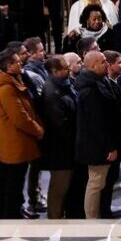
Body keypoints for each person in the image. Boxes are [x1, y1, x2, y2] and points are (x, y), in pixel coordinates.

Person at [0, 48, 44, 219]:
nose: (21, 63)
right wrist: (38, 130)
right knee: (12, 182)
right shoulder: (6, 88)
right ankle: (10, 215)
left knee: (11, 180)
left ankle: (13, 211)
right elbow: (20, 117)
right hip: (14, 143)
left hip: (15, 142)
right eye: (16, 61)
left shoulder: (12, 81)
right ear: (8, 66)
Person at [74, 51, 121, 219]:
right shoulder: (90, 89)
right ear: (92, 66)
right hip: (96, 146)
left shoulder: (98, 82)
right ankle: (92, 219)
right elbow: (97, 123)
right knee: (96, 183)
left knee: (99, 182)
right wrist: (110, 147)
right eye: (102, 62)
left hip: (99, 144)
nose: (106, 64)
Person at [41, 55, 82, 219]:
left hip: (67, 149)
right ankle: (54, 220)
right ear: (54, 71)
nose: (69, 70)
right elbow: (60, 125)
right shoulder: (51, 92)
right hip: (60, 150)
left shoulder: (64, 85)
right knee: (59, 189)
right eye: (65, 68)